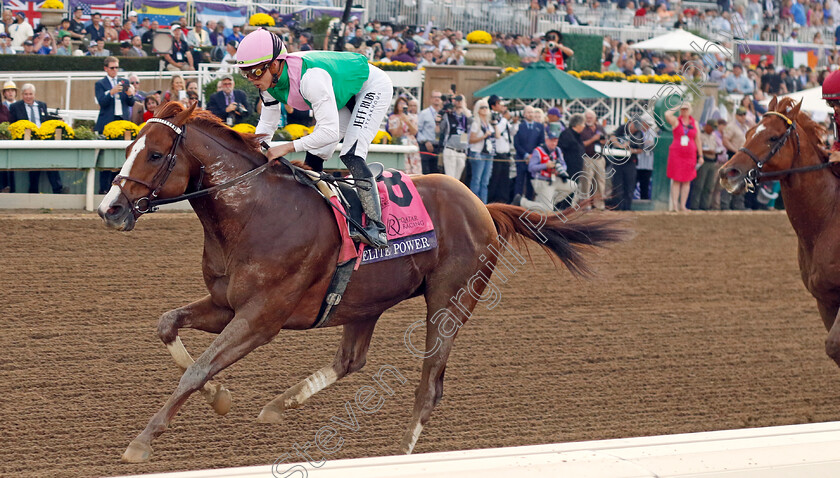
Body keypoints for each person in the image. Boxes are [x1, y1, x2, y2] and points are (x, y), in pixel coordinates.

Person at [236, 28, 394, 248]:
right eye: (245, 73)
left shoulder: (310, 79)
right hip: (342, 92)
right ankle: (315, 218)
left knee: (351, 154)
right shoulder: (269, 84)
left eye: (254, 72)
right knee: (316, 154)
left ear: (273, 65)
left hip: (370, 87)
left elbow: (328, 131)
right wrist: (253, 150)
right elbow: (268, 125)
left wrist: (288, 147)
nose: (251, 79)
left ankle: (377, 229)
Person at [10, 84, 66, 194]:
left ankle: (58, 189)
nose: (28, 96)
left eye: (30, 94)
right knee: (34, 164)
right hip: (26, 141)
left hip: (43, 140)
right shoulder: (15, 107)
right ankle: (33, 190)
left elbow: (45, 120)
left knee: (51, 162)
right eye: (26, 94)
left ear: (34, 95)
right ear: (22, 95)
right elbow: (13, 124)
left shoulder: (41, 105)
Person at [95, 56, 135, 193]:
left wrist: (130, 94)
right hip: (107, 123)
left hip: (122, 122)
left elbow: (131, 103)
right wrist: (111, 93)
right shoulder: (100, 84)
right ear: (106, 69)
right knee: (106, 156)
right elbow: (102, 102)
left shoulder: (124, 81)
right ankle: (103, 189)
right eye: (112, 68)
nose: (115, 70)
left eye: (116, 67)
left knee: (120, 156)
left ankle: (116, 188)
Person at [513, 129, 575, 211]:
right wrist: (545, 165)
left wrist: (560, 170)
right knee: (548, 208)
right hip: (542, 181)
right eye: (551, 140)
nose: (554, 143)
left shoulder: (558, 150)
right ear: (546, 140)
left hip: (554, 179)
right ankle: (521, 201)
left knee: (573, 185)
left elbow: (564, 165)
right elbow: (531, 168)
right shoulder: (538, 151)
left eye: (555, 141)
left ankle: (547, 203)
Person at [664, 102, 701, 212]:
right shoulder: (676, 121)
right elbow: (667, 115)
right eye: (683, 109)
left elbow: (698, 139)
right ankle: (675, 205)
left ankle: (683, 205)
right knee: (676, 179)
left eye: (686, 109)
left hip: (690, 154)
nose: (684, 111)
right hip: (677, 154)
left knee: (687, 180)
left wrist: (700, 155)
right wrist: (678, 106)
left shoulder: (695, 123)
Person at [609, 116, 647, 211]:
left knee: (629, 185)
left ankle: (627, 208)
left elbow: (640, 149)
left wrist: (630, 150)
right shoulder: (622, 128)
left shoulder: (639, 134)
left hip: (630, 161)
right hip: (618, 160)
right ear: (630, 123)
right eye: (633, 128)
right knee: (617, 184)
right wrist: (619, 145)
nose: (634, 130)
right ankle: (617, 207)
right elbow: (612, 136)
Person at [513, 105, 544, 200]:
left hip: (534, 160)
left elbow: (541, 143)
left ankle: (529, 202)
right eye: (528, 112)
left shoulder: (539, 126)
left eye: (532, 112)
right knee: (519, 182)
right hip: (521, 158)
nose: (530, 114)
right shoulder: (519, 126)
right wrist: (526, 155)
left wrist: (533, 156)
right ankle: (516, 202)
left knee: (531, 182)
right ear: (524, 114)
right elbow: (516, 143)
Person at [467, 99, 495, 203]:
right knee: (476, 180)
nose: (484, 109)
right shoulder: (475, 122)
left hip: (488, 153)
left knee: (485, 181)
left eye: (486, 107)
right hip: (477, 153)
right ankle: (474, 203)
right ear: (477, 109)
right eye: (482, 107)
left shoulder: (489, 123)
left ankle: (484, 204)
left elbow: (497, 135)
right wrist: (484, 136)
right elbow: (471, 139)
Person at [438, 94, 471, 180]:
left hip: (462, 150)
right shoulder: (449, 115)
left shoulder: (466, 116)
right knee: (450, 178)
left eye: (461, 101)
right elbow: (440, 129)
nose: (459, 103)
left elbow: (472, 121)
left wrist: (463, 107)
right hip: (450, 149)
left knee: (457, 179)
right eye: (457, 100)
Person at [692, 119, 723, 210]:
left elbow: (714, 147)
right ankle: (695, 206)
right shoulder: (700, 135)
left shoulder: (713, 136)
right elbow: (697, 148)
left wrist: (717, 151)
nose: (713, 130)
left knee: (709, 186)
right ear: (707, 126)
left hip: (713, 162)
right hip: (704, 161)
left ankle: (705, 206)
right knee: (699, 185)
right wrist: (708, 151)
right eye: (711, 127)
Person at [579, 109, 606, 210]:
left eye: (591, 117)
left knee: (600, 182)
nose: (589, 119)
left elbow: (605, 140)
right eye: (587, 117)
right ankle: (585, 205)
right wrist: (593, 139)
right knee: (586, 182)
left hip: (599, 158)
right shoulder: (582, 128)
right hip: (587, 158)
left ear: (595, 118)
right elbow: (581, 144)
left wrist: (603, 140)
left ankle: (599, 205)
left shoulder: (600, 127)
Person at [488, 94, 513, 203]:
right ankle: (491, 201)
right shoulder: (491, 116)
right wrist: (504, 120)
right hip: (496, 153)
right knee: (495, 180)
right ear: (493, 106)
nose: (501, 106)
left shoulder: (502, 118)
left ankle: (503, 201)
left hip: (505, 153)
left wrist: (512, 121)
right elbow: (496, 131)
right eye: (498, 103)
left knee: (504, 181)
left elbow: (511, 132)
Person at [388, 96, 421, 174]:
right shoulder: (392, 117)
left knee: (414, 165)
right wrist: (400, 122)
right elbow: (395, 134)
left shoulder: (413, 117)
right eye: (400, 103)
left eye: (404, 103)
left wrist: (407, 121)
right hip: (400, 141)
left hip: (411, 141)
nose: (402, 105)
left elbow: (414, 132)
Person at [416, 90, 443, 174]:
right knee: (426, 172)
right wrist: (425, 141)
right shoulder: (424, 113)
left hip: (439, 147)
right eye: (435, 97)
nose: (437, 99)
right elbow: (417, 130)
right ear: (431, 99)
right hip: (426, 146)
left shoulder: (444, 114)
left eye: (439, 97)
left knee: (437, 173)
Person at [822, 69, 840, 151]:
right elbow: (837, 142)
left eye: (838, 103)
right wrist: (832, 152)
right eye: (831, 103)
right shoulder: (836, 116)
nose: (835, 108)